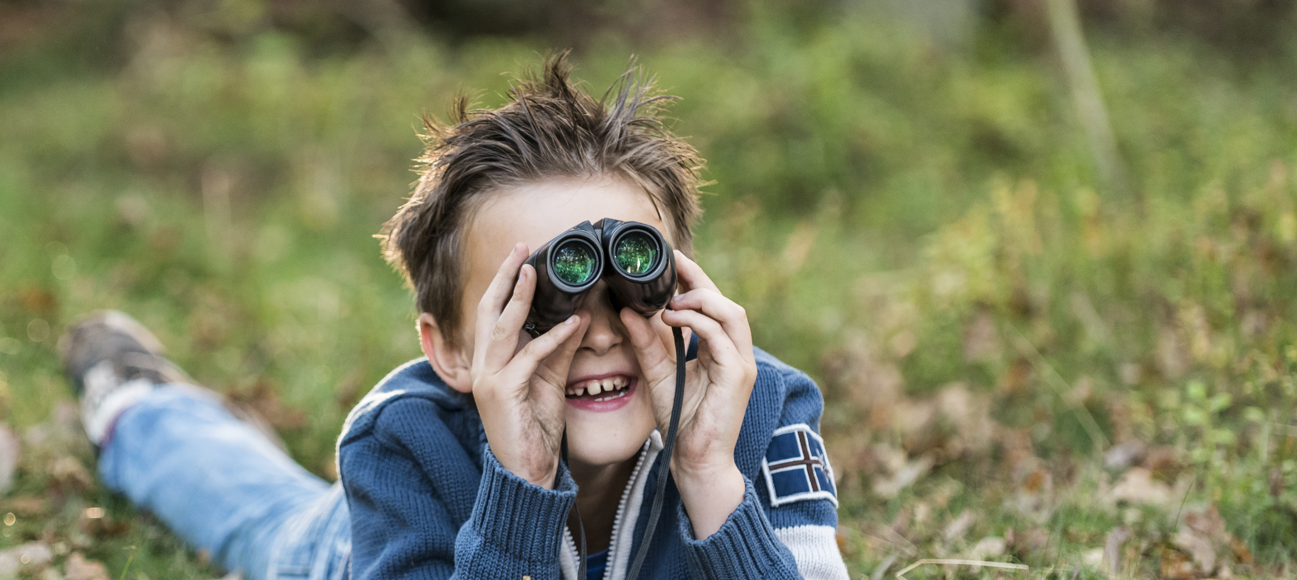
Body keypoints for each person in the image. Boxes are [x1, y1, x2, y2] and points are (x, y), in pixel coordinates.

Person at [59, 53, 850, 580]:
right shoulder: (407, 444)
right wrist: (521, 487)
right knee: (256, 515)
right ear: (452, 352)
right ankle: (137, 404)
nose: (603, 331)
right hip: (361, 554)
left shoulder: (762, 413)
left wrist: (711, 473)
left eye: (629, 287)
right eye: (542, 304)